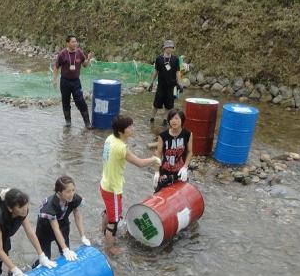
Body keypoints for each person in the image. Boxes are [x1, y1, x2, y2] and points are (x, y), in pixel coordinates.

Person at [100, 114, 161, 243]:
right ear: (121, 131)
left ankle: (102, 232)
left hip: (105, 184)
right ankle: (109, 248)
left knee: (109, 212)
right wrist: (154, 159)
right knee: (114, 222)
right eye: (130, 126)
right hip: (113, 189)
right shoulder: (121, 147)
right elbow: (139, 163)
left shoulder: (110, 138)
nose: (133, 128)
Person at [33, 175, 90, 264]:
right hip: (45, 228)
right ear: (59, 193)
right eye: (68, 191)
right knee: (45, 258)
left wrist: (83, 236)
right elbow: (55, 229)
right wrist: (65, 249)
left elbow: (77, 216)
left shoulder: (73, 197)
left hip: (63, 223)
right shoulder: (50, 206)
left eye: (73, 190)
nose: (71, 194)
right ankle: (35, 268)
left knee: (66, 253)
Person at [52, 35, 93, 129]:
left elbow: (85, 65)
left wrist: (89, 58)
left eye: (76, 41)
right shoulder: (63, 54)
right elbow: (56, 66)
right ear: (68, 43)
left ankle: (87, 123)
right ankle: (68, 122)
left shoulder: (79, 52)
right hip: (65, 82)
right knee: (65, 102)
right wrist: (54, 80)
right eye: (73, 42)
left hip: (76, 82)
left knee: (81, 102)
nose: (75, 43)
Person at [154, 108, 193, 192]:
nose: (173, 121)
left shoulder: (188, 134)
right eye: (171, 119)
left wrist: (185, 167)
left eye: (176, 118)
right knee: (160, 195)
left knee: (180, 195)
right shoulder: (162, 135)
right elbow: (158, 154)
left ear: (182, 120)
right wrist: (157, 171)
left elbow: (190, 152)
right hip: (165, 170)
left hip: (180, 171)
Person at [148, 40, 183, 124]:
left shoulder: (175, 59)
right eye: (169, 47)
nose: (170, 49)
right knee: (156, 104)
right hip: (161, 86)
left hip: (171, 87)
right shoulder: (159, 59)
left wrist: (180, 83)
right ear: (164, 48)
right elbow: (156, 71)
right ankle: (152, 119)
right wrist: (151, 83)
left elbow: (177, 72)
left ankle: (164, 120)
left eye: (171, 47)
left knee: (169, 106)